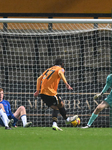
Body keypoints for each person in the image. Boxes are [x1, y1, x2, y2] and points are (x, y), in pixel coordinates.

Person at [34, 58, 78, 131]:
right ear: (62, 64)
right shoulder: (60, 69)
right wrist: (66, 83)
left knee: (57, 106)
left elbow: (39, 78)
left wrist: (37, 90)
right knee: (60, 104)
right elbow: (60, 73)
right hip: (50, 92)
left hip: (42, 93)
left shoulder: (49, 69)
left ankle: (56, 124)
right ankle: (66, 120)